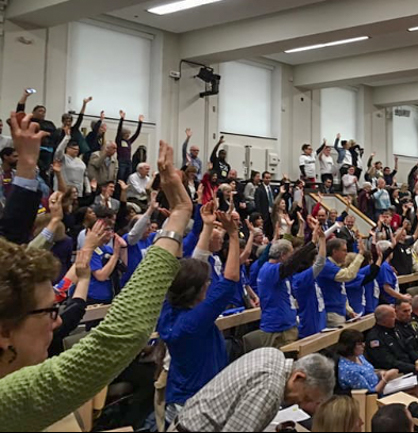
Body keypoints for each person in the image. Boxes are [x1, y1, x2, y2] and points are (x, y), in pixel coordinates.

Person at [0, 124, 190, 432]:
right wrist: (179, 213)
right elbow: (119, 335)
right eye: (49, 312)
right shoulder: (9, 400)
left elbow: (7, 247)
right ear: (5, 332)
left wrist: (26, 170)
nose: (57, 321)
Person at [158, 204, 240, 422]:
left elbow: (195, 264)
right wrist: (233, 236)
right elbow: (230, 280)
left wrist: (206, 226)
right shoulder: (195, 321)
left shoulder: (168, 310)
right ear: (199, 290)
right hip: (198, 404)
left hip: (178, 399)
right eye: (207, 283)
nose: (209, 285)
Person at [174, 349, 335, 431]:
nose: (299, 405)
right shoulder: (270, 389)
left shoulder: (274, 354)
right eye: (305, 398)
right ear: (298, 377)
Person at [255, 238, 318, 348]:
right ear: (283, 255)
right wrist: (311, 244)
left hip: (285, 325)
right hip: (278, 328)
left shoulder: (271, 269)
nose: (291, 257)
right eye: (290, 254)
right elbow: (292, 264)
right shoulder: (270, 270)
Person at [317, 238, 365, 327]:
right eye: (344, 250)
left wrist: (349, 311)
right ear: (334, 251)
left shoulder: (334, 266)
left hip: (339, 311)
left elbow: (340, 291)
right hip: (331, 312)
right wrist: (360, 254)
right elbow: (348, 275)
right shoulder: (326, 266)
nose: (346, 254)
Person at [336, 329, 400, 395]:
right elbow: (370, 393)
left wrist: (380, 374)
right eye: (359, 344)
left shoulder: (358, 356)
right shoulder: (349, 370)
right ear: (350, 346)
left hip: (382, 387)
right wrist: (386, 378)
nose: (363, 345)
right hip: (373, 399)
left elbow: (369, 373)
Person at [115, 111, 143, 183]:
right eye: (127, 134)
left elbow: (136, 134)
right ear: (123, 134)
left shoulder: (129, 141)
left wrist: (140, 123)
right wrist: (121, 119)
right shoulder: (119, 140)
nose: (128, 135)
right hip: (121, 161)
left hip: (128, 161)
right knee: (121, 178)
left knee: (128, 178)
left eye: (129, 134)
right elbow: (118, 130)